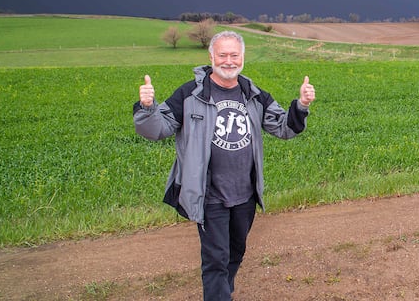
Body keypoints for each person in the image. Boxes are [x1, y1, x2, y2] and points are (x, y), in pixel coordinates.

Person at [133, 30, 315, 300]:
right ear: (211, 57)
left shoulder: (253, 94)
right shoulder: (189, 94)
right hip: (209, 194)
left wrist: (301, 105)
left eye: (234, 55)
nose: (228, 61)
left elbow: (283, 127)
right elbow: (157, 129)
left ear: (242, 57)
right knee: (216, 259)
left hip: (244, 193)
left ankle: (222, 291)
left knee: (235, 252)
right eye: (222, 55)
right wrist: (147, 107)